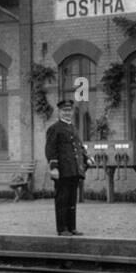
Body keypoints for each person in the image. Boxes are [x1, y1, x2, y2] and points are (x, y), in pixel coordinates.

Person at [45, 98, 89, 235]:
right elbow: (50, 150)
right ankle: (62, 228)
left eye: (69, 111)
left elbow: (79, 147)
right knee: (62, 200)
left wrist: (87, 158)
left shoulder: (72, 128)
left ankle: (71, 227)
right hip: (62, 171)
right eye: (64, 111)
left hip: (74, 170)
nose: (67, 113)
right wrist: (54, 168)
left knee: (71, 200)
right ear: (59, 112)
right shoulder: (54, 128)